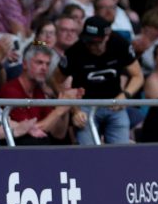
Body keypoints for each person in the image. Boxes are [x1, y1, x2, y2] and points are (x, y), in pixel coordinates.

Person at [56, 16, 143, 145]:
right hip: (85, 106)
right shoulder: (75, 51)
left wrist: (125, 95)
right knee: (88, 153)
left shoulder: (120, 44)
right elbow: (55, 80)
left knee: (122, 152)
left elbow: (138, 76)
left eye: (96, 42)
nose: (91, 46)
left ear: (107, 37)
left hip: (114, 103)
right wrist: (74, 108)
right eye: (88, 42)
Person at [0, 43, 80, 146]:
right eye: (39, 62)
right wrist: (59, 110)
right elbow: (29, 130)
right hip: (17, 152)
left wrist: (65, 106)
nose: (44, 68)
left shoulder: (39, 91)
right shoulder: (11, 90)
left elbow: (59, 134)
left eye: (47, 64)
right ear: (24, 64)